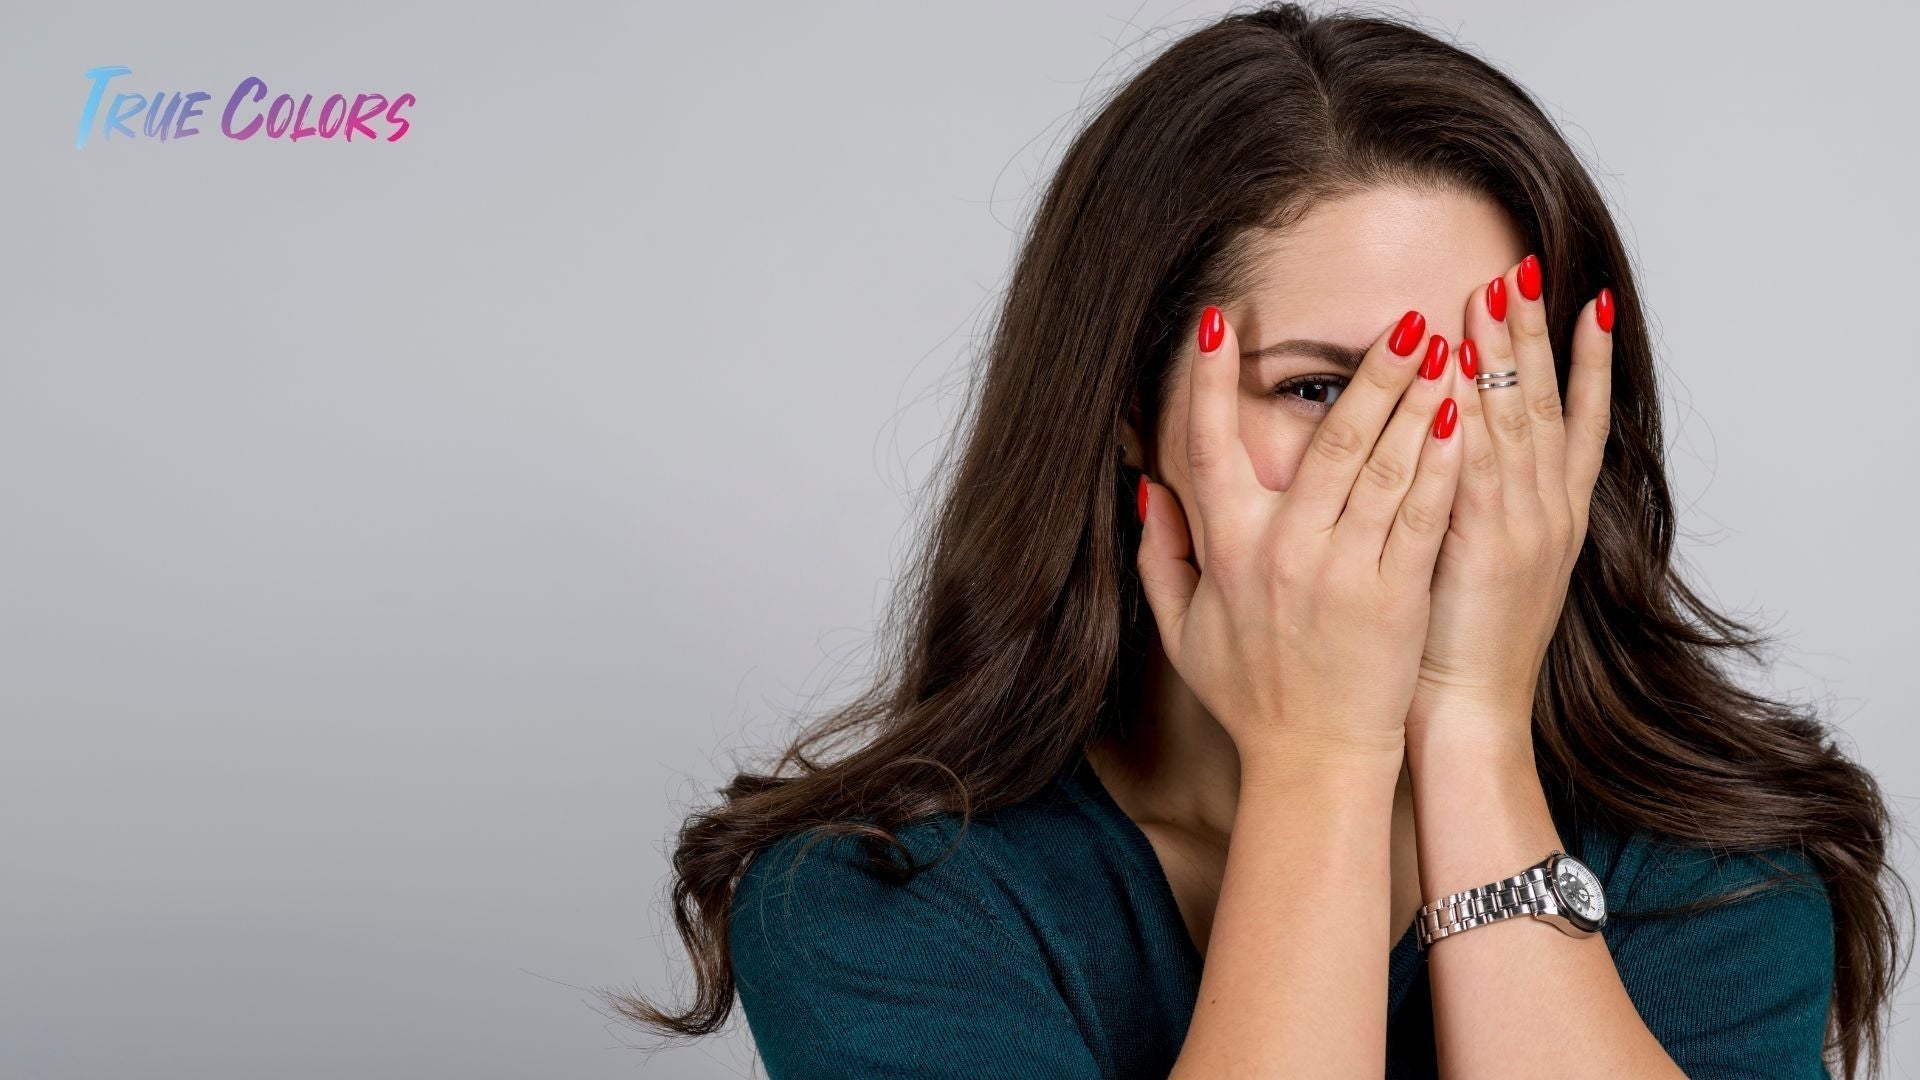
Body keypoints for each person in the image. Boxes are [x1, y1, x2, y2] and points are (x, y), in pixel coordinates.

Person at [597, 3, 1909, 1076]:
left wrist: (1469, 732)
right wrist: (1320, 763)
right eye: (1321, 387)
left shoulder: (1711, 870)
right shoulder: (889, 899)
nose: (1418, 458)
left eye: (1488, 385)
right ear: (1128, 411)